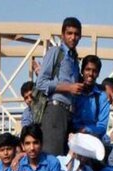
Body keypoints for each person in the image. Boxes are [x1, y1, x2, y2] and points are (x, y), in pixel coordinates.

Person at [35, 17, 83, 155]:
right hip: (55, 110)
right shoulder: (55, 52)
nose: (73, 37)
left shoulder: (74, 59)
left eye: (76, 34)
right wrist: (69, 87)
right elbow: (41, 83)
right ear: (62, 35)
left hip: (69, 113)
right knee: (52, 157)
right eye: (69, 33)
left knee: (65, 158)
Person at [72, 55, 110, 144]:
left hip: (93, 140)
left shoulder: (102, 97)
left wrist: (87, 130)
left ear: (98, 73)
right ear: (82, 71)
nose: (90, 74)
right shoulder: (74, 93)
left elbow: (102, 126)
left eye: (94, 71)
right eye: (87, 69)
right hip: (73, 138)